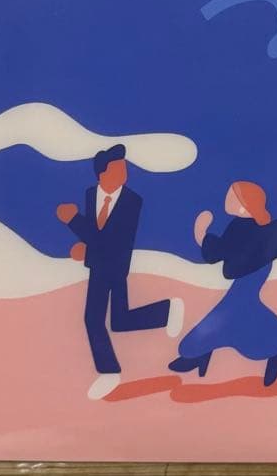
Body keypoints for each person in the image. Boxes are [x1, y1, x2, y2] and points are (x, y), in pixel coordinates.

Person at [57, 144, 184, 400]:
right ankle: (166, 311)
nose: (124, 173)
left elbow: (111, 240)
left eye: (124, 168)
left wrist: (74, 221)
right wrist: (87, 250)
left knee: (94, 319)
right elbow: (99, 235)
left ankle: (109, 372)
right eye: (118, 169)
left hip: (115, 265)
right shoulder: (91, 194)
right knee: (118, 319)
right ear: (102, 174)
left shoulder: (132, 201)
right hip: (99, 265)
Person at [168, 181, 277, 386]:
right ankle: (273, 353)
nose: (227, 198)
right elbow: (222, 250)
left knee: (231, 311)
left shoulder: (258, 228)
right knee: (240, 310)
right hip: (247, 277)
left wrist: (201, 234)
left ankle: (197, 354)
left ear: (244, 205)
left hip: (252, 276)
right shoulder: (242, 226)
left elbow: (221, 251)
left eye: (232, 196)